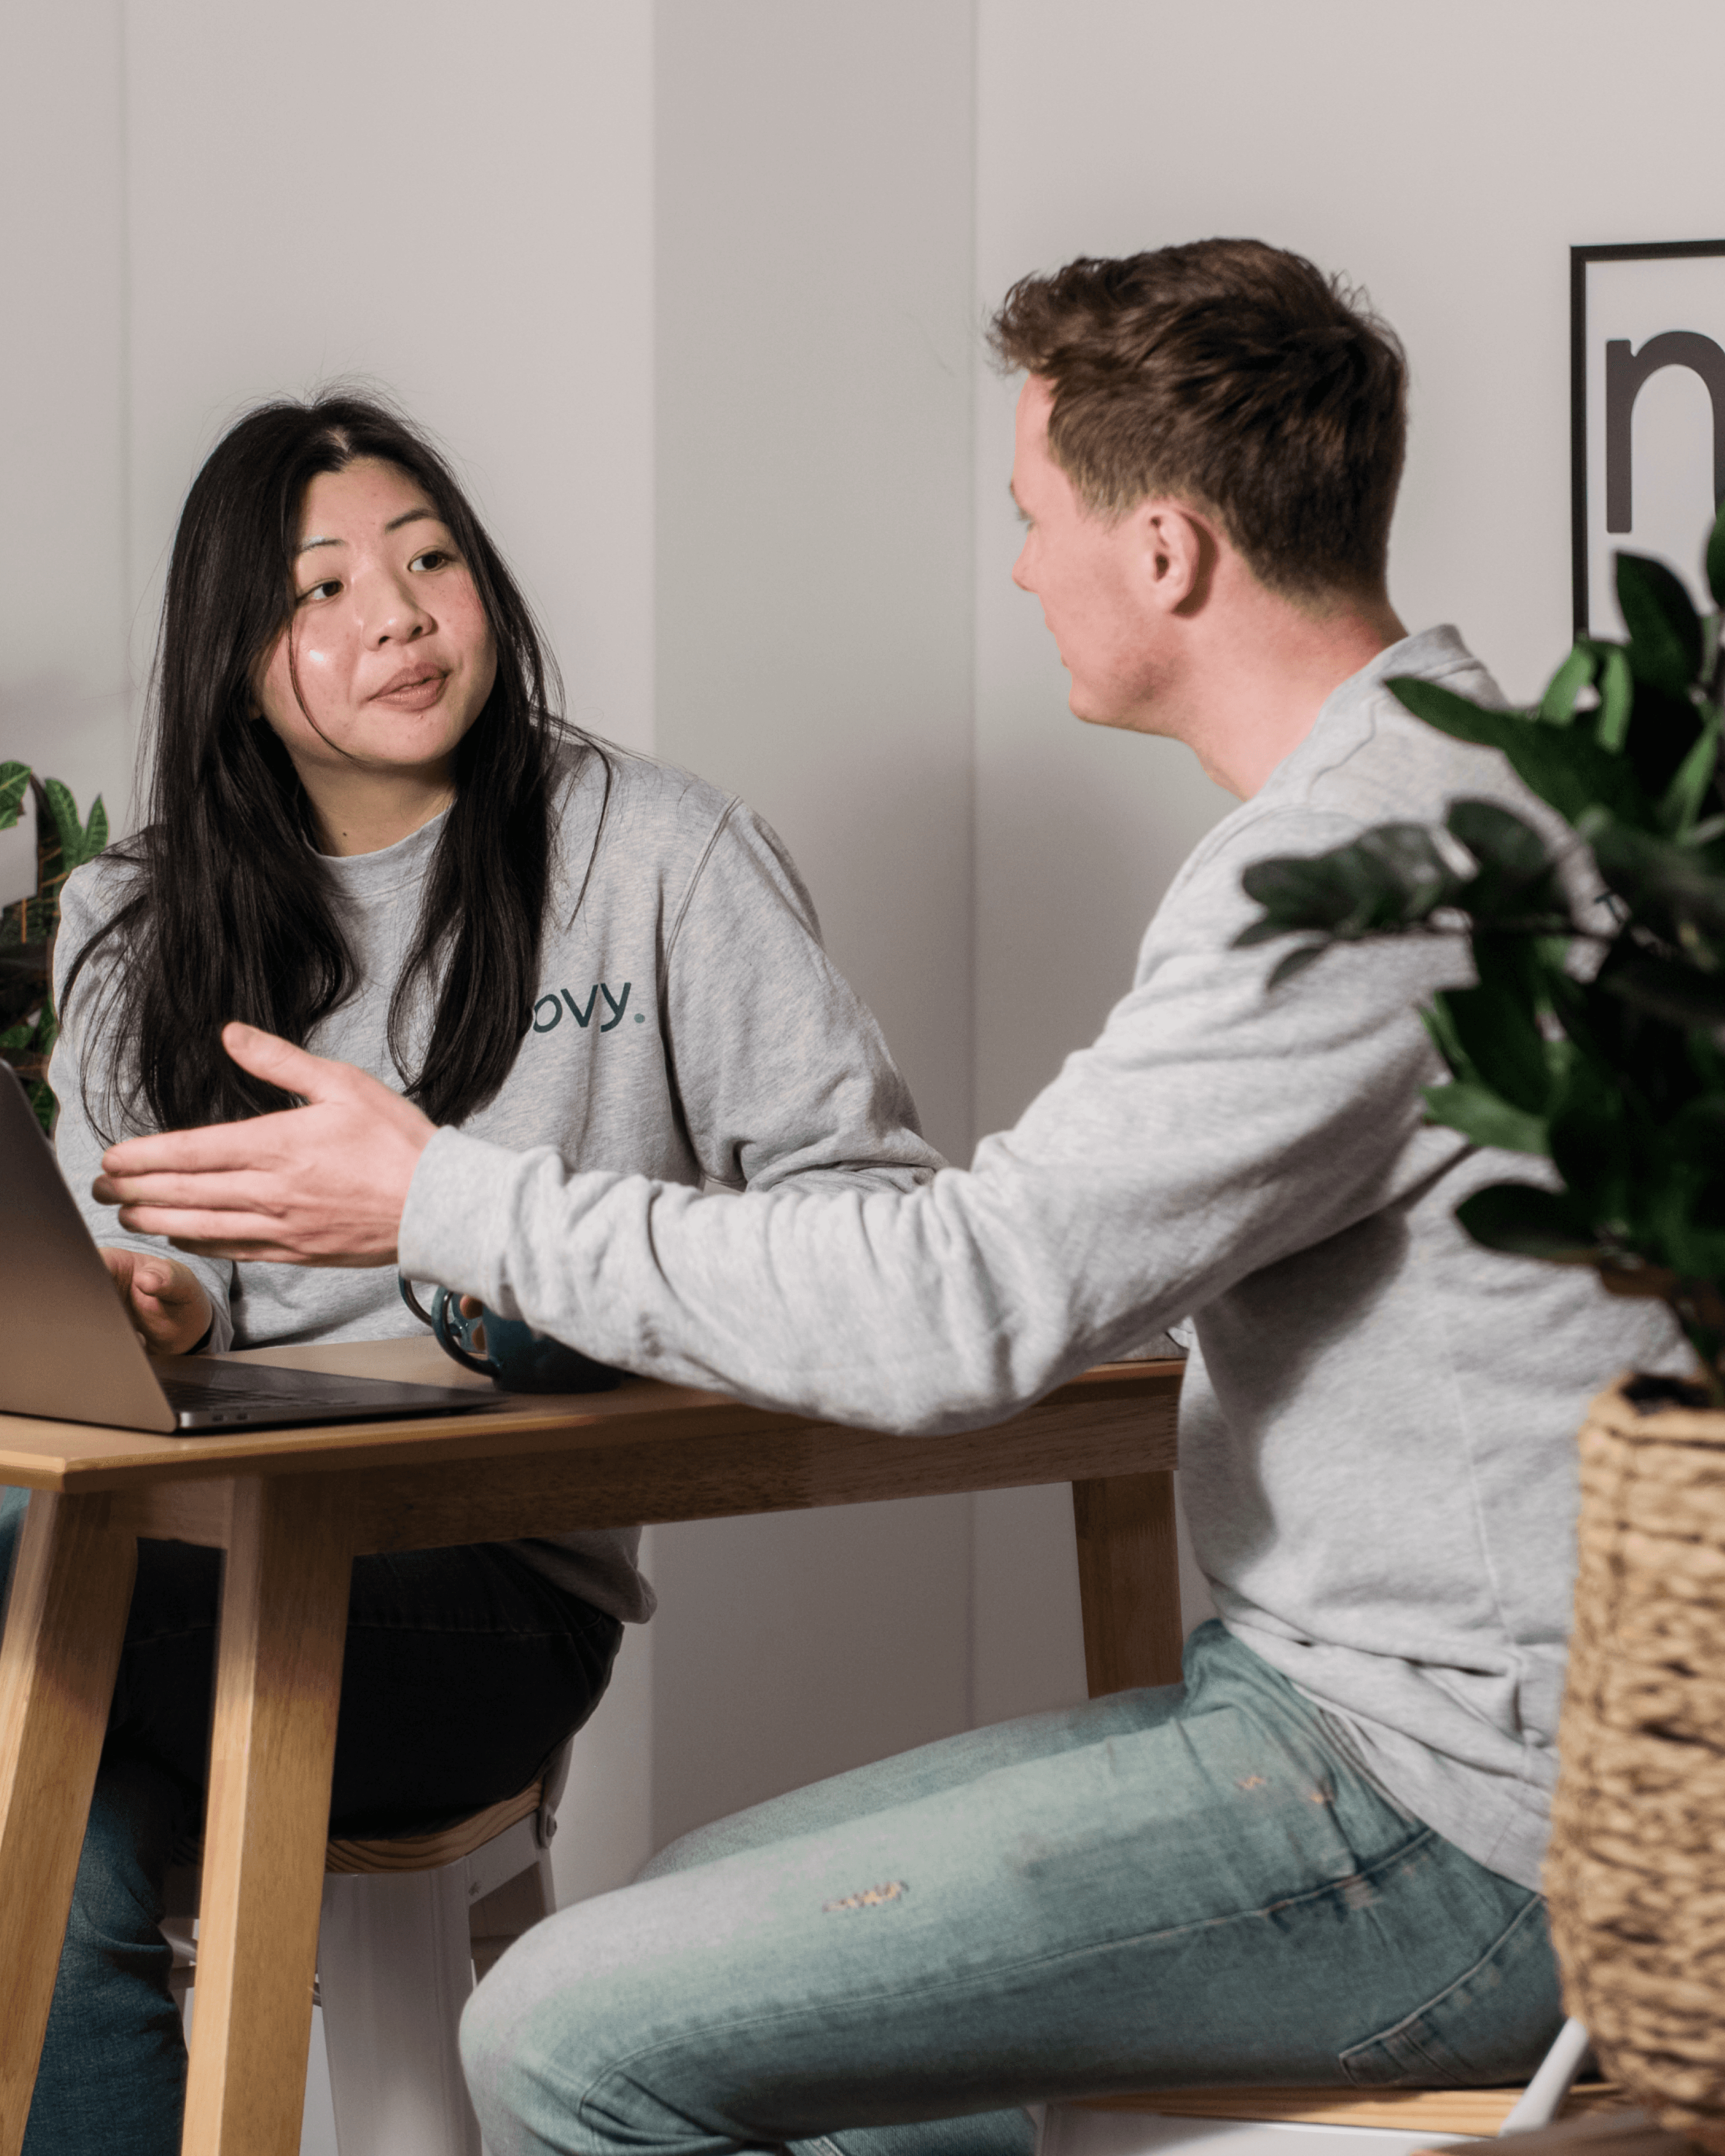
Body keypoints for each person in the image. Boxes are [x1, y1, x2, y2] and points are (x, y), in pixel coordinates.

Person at [98, 244, 1688, 2156]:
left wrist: (442, 1199)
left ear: (1166, 552)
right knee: (702, 1941)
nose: (1020, 568)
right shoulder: (1465, 799)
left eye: (1035, 518)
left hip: (1454, 1828)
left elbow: (968, 1296)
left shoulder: (1368, 873)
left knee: (568, 2033)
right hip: (1352, 1732)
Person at [9, 390, 940, 2156]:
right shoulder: (137, 915)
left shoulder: (653, 857)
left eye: (431, 561)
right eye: (324, 592)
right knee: (59, 1819)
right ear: (233, 655)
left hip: (479, 1593)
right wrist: (159, 1300)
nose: (402, 618)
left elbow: (868, 1213)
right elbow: (120, 1240)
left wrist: (491, 1230)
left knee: (19, 1666)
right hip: (179, 1557)